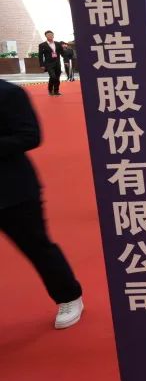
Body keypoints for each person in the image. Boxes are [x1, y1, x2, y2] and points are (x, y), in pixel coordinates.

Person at [0, 79, 83, 328]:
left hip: (12, 190)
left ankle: (69, 296)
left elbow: (30, 136)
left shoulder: (9, 93)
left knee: (37, 246)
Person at [38, 31, 63, 96]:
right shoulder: (42, 45)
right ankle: (50, 90)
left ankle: (56, 91)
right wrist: (42, 64)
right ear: (46, 36)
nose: (50, 36)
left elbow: (62, 52)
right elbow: (40, 56)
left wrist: (66, 60)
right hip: (49, 64)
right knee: (53, 76)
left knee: (57, 77)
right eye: (48, 35)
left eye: (51, 34)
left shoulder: (58, 44)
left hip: (57, 63)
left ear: (53, 35)